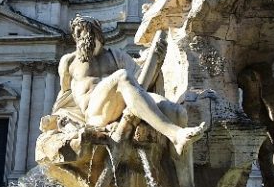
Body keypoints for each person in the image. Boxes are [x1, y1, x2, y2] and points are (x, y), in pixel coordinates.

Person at [54, 16, 204, 156]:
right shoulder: (69, 61)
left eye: (86, 31)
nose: (81, 37)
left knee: (176, 111)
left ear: (98, 33)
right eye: (77, 33)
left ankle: (185, 183)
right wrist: (64, 122)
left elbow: (140, 85)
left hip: (120, 107)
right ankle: (175, 135)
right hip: (94, 115)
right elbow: (65, 98)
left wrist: (156, 61)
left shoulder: (116, 55)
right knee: (122, 76)